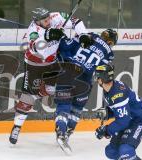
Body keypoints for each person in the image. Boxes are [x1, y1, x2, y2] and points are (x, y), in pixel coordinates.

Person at [9, 7, 91, 145]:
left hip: (52, 62)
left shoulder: (56, 17)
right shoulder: (33, 30)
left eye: (48, 19)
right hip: (34, 64)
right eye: (44, 20)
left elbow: (76, 22)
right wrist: (47, 36)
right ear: (37, 21)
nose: (48, 21)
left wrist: (83, 34)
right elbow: (34, 48)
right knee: (27, 98)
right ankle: (16, 127)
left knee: (58, 90)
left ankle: (58, 122)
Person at [54, 29, 118, 154]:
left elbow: (66, 45)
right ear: (111, 42)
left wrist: (60, 36)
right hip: (85, 81)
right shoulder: (109, 53)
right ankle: (67, 133)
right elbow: (101, 71)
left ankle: (61, 132)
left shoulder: (89, 35)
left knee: (63, 105)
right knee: (77, 108)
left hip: (68, 73)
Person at [94, 64, 142, 160]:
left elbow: (123, 121)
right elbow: (122, 110)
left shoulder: (118, 93)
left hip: (140, 120)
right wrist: (109, 112)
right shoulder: (110, 88)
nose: (96, 79)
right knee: (111, 152)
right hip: (129, 119)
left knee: (126, 151)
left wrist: (106, 130)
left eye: (97, 76)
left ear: (102, 79)